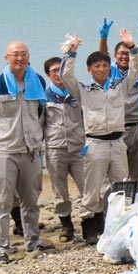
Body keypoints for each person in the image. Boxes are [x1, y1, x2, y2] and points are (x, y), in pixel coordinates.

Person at [61, 29, 138, 244]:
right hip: (95, 143)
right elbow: (65, 76)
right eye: (96, 66)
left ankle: (120, 225)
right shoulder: (84, 90)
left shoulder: (120, 86)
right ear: (89, 70)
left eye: (105, 66)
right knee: (92, 189)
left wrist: (133, 47)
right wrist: (71, 54)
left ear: (110, 68)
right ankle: (89, 228)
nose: (101, 69)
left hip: (118, 143)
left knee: (121, 186)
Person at [0, 41, 49, 264]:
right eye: (14, 55)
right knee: (2, 201)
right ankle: (1, 248)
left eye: (23, 54)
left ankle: (33, 241)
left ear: (29, 57)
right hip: (5, 151)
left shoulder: (38, 81)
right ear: (6, 58)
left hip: (30, 150)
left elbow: (40, 113)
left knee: (31, 199)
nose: (19, 58)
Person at [98, 18, 138, 186]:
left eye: (127, 54)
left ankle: (137, 204)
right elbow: (102, 57)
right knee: (117, 173)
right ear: (115, 56)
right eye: (121, 54)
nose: (124, 57)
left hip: (136, 127)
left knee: (137, 173)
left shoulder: (137, 72)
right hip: (116, 127)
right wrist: (103, 38)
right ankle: (118, 207)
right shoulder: (109, 72)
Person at [43, 56, 86, 243]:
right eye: (54, 71)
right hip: (55, 149)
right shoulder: (43, 97)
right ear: (48, 75)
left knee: (89, 187)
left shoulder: (78, 92)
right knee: (59, 191)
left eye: (61, 70)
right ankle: (66, 226)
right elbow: (39, 124)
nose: (58, 74)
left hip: (78, 148)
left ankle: (90, 223)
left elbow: (88, 117)